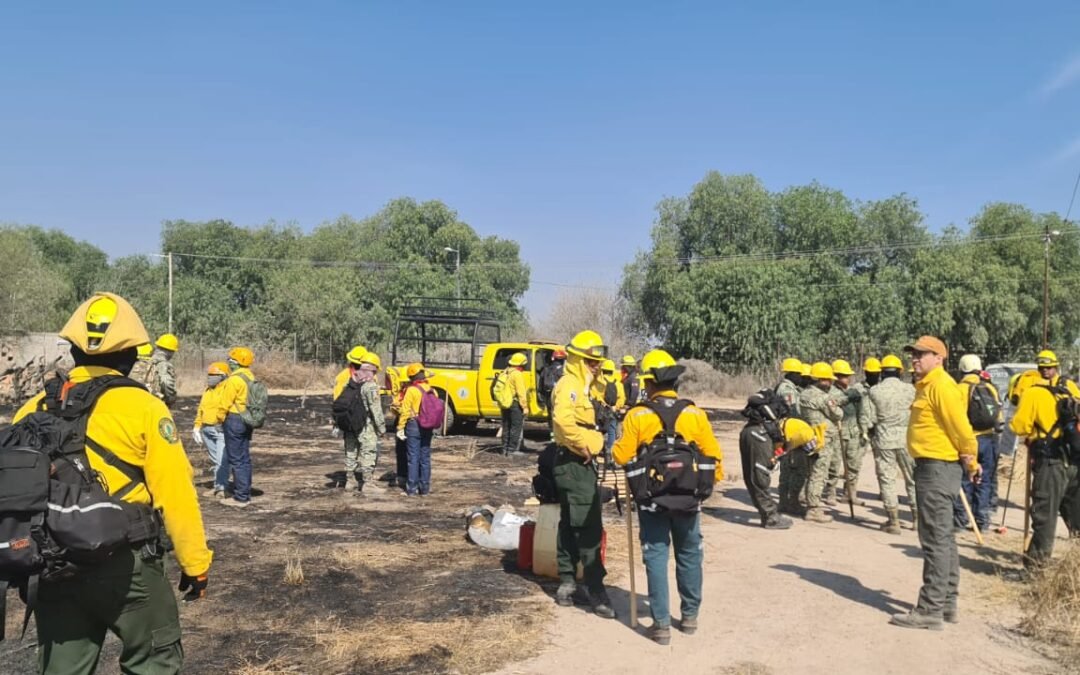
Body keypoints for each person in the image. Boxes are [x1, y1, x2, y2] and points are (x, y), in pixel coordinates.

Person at [12, 292, 212, 673]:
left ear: (73, 351)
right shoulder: (144, 407)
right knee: (155, 660)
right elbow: (175, 491)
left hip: (52, 562)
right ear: (131, 355)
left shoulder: (33, 407)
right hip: (125, 563)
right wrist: (195, 564)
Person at [613, 349, 723, 644]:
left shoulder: (638, 415)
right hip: (689, 499)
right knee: (689, 555)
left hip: (652, 500)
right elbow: (713, 455)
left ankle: (660, 625)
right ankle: (689, 617)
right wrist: (700, 487)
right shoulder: (695, 414)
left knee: (656, 556)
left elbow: (621, 455)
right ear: (676, 382)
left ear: (648, 382)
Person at [890, 336, 979, 630]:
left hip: (937, 469)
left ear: (939, 357)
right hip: (935, 468)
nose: (914, 359)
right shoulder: (928, 385)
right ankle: (946, 604)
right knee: (944, 539)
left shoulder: (941, 386)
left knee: (934, 541)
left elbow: (962, 428)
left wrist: (972, 460)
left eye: (921, 354)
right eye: (913, 354)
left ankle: (930, 609)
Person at [551, 329, 614, 618]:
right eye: (591, 362)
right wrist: (583, 446)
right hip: (575, 462)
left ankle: (567, 582)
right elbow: (563, 421)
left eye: (597, 362)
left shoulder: (586, 385)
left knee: (569, 522)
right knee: (587, 524)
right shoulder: (569, 385)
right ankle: (594, 588)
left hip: (577, 464)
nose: (596, 366)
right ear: (577, 360)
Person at [1010, 350, 1080, 570]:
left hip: (1051, 463)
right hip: (1074, 461)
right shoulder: (1071, 388)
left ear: (1038, 368)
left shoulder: (1032, 393)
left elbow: (1019, 426)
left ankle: (1035, 569)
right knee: (1075, 514)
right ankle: (1076, 564)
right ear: (1056, 367)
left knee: (1045, 516)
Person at [739, 399, 823, 530]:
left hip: (751, 432)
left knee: (754, 476)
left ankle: (769, 514)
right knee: (760, 477)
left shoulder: (800, 427)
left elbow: (784, 445)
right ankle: (771, 518)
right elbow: (789, 446)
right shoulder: (806, 434)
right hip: (759, 436)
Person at [861, 354, 917, 534]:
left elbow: (867, 420)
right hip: (908, 439)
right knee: (913, 479)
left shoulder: (874, 391)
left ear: (882, 373)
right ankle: (917, 520)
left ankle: (893, 521)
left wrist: (871, 433)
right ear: (900, 372)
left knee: (887, 479)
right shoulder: (911, 390)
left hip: (884, 439)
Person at [953, 354, 1002, 532]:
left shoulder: (959, 389)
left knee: (966, 479)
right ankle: (982, 521)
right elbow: (999, 416)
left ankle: (961, 520)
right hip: (989, 440)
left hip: (969, 440)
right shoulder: (989, 387)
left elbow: (956, 419)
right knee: (985, 479)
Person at [799, 362, 844, 523]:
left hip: (809, 438)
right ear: (821, 379)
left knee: (810, 472)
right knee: (819, 473)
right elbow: (838, 414)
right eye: (828, 380)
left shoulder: (804, 394)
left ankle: (807, 500)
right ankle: (813, 509)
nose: (830, 383)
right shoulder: (823, 397)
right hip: (823, 438)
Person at [215, 346, 258, 508]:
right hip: (247, 419)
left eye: (230, 360)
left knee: (237, 459)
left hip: (234, 419)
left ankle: (241, 497)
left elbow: (225, 402)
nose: (229, 363)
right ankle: (244, 492)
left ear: (235, 362)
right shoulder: (250, 377)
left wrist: (218, 419)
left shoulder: (234, 380)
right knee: (244, 457)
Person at [826, 359, 864, 507]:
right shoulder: (830, 391)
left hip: (853, 432)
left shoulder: (854, 390)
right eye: (844, 376)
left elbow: (861, 411)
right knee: (834, 465)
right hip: (838, 432)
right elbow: (832, 404)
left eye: (848, 376)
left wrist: (863, 429)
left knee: (853, 465)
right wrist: (847, 398)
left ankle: (850, 493)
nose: (847, 378)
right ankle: (831, 493)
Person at [333, 346, 369, 489]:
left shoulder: (342, 376)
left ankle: (350, 479)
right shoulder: (370, 375)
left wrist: (336, 421)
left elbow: (337, 401)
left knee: (350, 449)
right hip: (364, 420)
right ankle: (366, 481)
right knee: (366, 449)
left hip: (348, 418)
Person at [193, 361, 231, 498]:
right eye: (209, 374)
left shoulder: (227, 390)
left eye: (214, 375)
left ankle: (222, 488)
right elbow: (201, 409)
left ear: (224, 376)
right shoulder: (208, 390)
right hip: (207, 429)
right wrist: (197, 426)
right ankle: (218, 485)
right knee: (216, 460)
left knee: (222, 460)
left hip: (220, 429)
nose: (210, 377)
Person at [397, 362, 434, 496]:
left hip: (414, 425)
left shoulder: (411, 390)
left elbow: (405, 411)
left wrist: (400, 427)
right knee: (425, 457)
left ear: (411, 377)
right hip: (428, 426)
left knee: (413, 457)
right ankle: (424, 489)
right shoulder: (431, 389)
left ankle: (411, 489)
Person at [775, 358, 806, 516]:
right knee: (792, 468)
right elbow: (792, 412)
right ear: (792, 374)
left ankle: (785, 502)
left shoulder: (789, 388)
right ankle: (789, 503)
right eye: (799, 374)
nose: (801, 377)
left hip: (786, 431)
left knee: (788, 467)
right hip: (789, 432)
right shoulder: (787, 389)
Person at [593, 359, 625, 459]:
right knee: (612, 431)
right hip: (613, 410)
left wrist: (603, 404)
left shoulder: (600, 382)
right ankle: (609, 451)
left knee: (598, 431)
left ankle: (597, 449)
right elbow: (622, 398)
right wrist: (616, 407)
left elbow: (595, 395)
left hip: (601, 410)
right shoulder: (618, 384)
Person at [499, 352, 530, 456]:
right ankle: (512, 451)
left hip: (505, 403)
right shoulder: (517, 374)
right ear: (521, 364)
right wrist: (525, 407)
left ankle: (504, 450)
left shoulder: (505, 372)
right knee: (515, 427)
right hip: (515, 404)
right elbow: (521, 392)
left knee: (506, 426)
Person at [145, 333, 179, 407]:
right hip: (156, 405)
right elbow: (166, 382)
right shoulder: (164, 364)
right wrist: (171, 399)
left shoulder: (146, 361)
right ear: (170, 351)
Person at [539, 349, 566, 438]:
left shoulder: (545, 370)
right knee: (561, 417)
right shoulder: (564, 371)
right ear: (563, 359)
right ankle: (560, 437)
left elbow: (541, 387)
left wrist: (543, 398)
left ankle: (552, 436)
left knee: (551, 417)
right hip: (560, 399)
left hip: (549, 398)